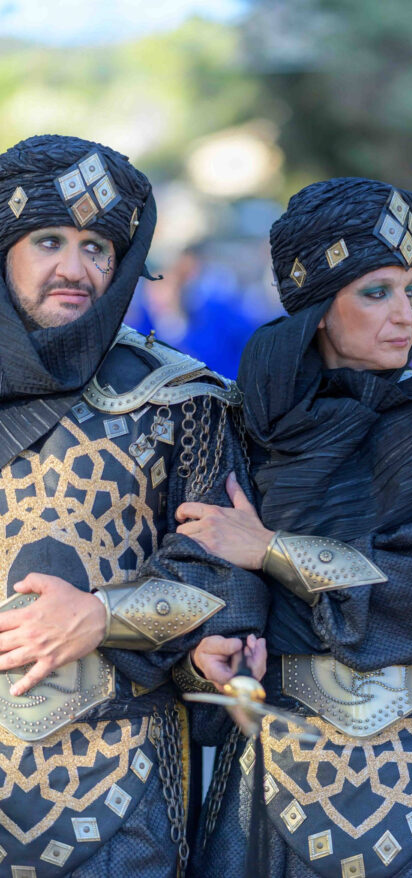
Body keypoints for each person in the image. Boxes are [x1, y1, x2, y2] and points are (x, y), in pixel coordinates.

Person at [178, 178, 412, 877]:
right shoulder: (241, 426)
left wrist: (271, 549)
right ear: (320, 307)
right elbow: (208, 574)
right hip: (274, 778)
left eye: (411, 290)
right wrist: (214, 646)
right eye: (376, 292)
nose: (404, 314)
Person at [0, 134, 267, 877]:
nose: (75, 268)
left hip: (120, 787)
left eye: (96, 247)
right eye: (48, 241)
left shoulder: (179, 401)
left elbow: (225, 574)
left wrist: (103, 616)